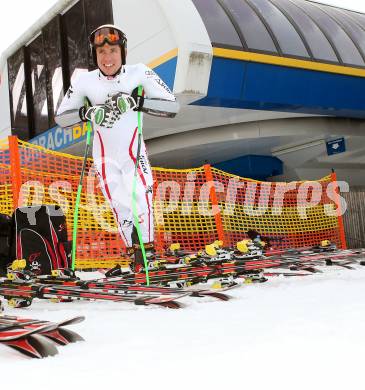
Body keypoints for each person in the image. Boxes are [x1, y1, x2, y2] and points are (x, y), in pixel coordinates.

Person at [55, 24, 179, 270]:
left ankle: (149, 250)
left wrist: (135, 101)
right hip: (104, 157)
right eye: (101, 53)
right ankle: (135, 256)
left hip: (133, 153)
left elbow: (172, 107)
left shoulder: (138, 73)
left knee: (141, 198)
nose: (107, 58)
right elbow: (61, 118)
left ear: (122, 51)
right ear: (95, 56)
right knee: (120, 205)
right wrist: (88, 111)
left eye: (112, 50)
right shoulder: (85, 81)